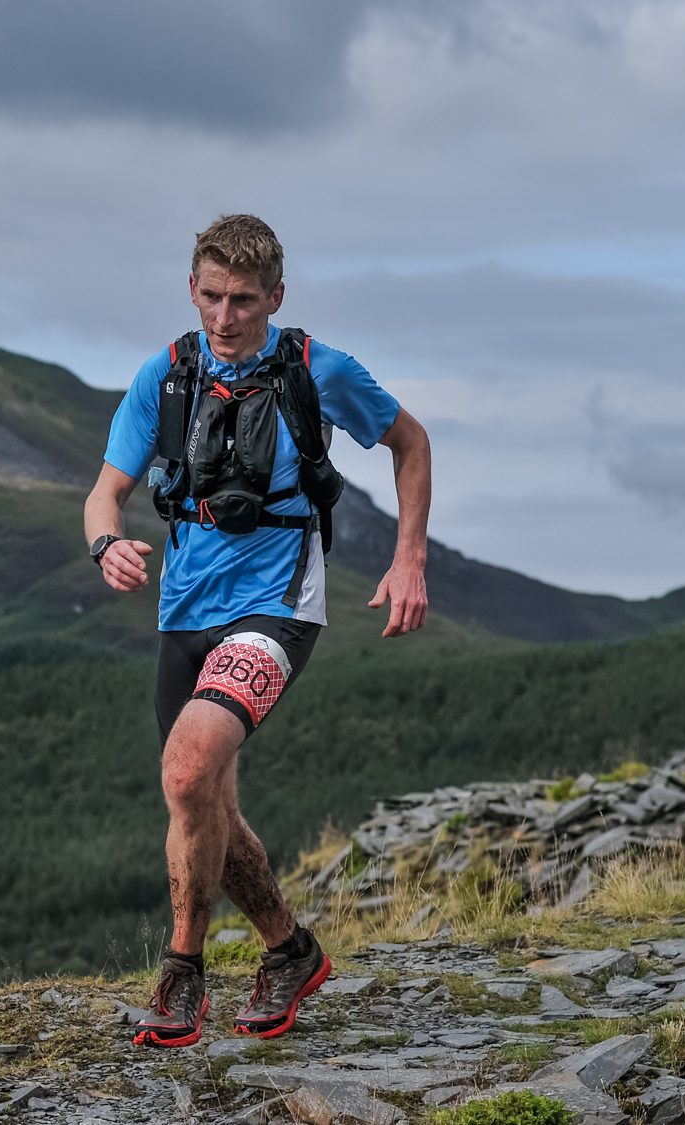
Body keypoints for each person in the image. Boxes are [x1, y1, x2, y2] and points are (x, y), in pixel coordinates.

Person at [82, 214, 432, 1048]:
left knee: (186, 763)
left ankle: (181, 972)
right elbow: (105, 492)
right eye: (211, 295)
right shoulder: (163, 379)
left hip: (278, 607)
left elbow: (410, 442)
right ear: (192, 289)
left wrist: (409, 558)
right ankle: (290, 950)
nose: (225, 315)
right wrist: (106, 544)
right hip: (184, 612)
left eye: (243, 299)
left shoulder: (319, 370)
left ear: (276, 295)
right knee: (199, 796)